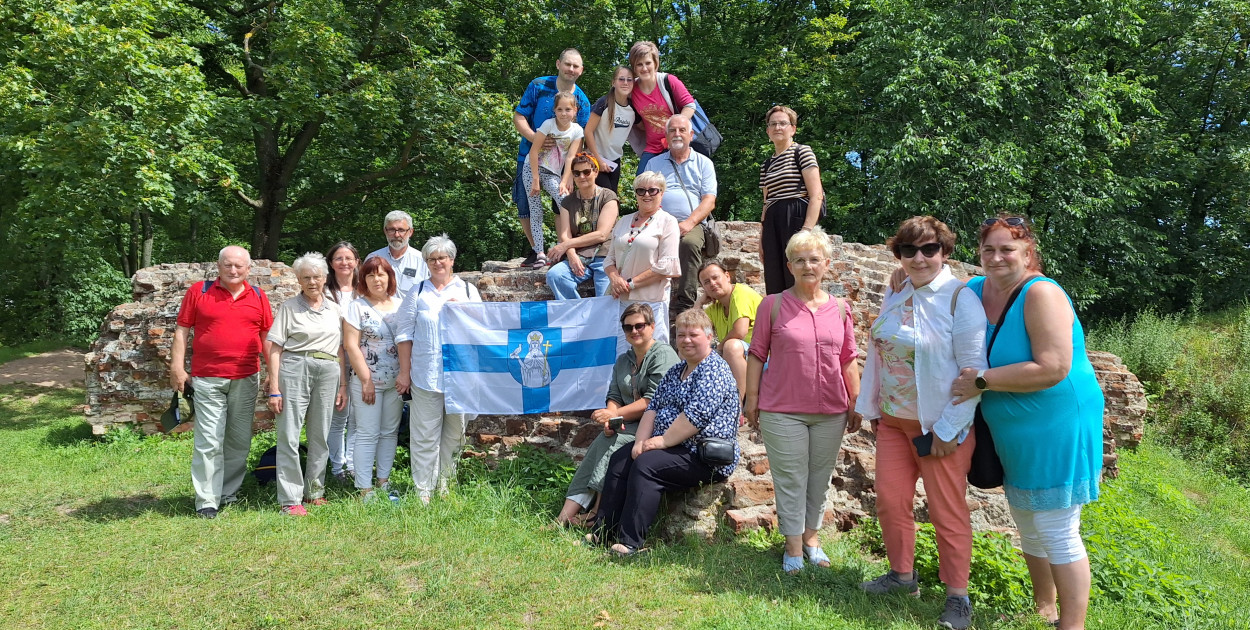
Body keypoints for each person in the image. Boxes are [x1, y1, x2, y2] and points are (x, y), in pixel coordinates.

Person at [950, 215, 1104, 630]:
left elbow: (1053, 366)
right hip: (1011, 427)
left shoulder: (1042, 294)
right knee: (1025, 517)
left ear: (1028, 253)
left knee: (1056, 525)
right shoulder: (978, 289)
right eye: (988, 249)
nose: (997, 257)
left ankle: (1072, 625)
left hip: (1056, 421)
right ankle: (1044, 607)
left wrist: (981, 381)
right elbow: (934, 286)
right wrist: (899, 273)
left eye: (1007, 249)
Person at [855, 217, 988, 630]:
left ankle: (958, 597)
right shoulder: (896, 291)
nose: (919, 257)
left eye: (929, 249)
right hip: (894, 424)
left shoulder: (959, 298)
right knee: (891, 502)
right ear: (898, 255)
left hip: (939, 429)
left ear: (945, 252)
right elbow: (881, 351)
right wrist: (874, 410)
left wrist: (950, 430)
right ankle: (902, 577)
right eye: (908, 250)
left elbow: (974, 372)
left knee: (947, 512)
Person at [743, 226, 862, 574]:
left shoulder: (841, 309)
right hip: (783, 410)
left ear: (826, 264)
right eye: (799, 260)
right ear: (789, 265)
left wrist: (855, 402)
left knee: (819, 477)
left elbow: (848, 358)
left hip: (832, 410)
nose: (808, 266)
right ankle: (793, 545)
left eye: (814, 259)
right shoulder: (773, 305)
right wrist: (752, 398)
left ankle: (812, 538)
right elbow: (755, 354)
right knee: (791, 477)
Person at [590, 308, 740, 556]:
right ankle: (602, 533)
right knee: (620, 458)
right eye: (681, 335)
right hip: (674, 447)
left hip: (704, 455)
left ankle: (630, 544)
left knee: (647, 465)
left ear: (710, 337)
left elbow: (695, 416)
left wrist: (660, 442)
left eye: (693, 334)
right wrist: (640, 442)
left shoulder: (714, 369)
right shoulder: (676, 371)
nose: (686, 340)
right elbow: (654, 408)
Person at [170, 245, 273, 519]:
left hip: (246, 377)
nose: (233, 270)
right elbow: (182, 330)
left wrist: (274, 374)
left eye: (239, 266)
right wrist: (177, 368)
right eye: (228, 265)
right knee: (209, 440)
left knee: (238, 440)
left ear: (248, 269)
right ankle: (206, 499)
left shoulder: (259, 296)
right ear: (219, 267)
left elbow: (267, 338)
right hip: (207, 377)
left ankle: (228, 493)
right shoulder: (199, 292)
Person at [553, 304, 679, 526]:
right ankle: (563, 517)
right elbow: (614, 395)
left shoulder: (663, 354)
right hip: (628, 423)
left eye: (639, 325)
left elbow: (653, 400)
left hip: (657, 425)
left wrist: (614, 414)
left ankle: (598, 515)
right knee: (602, 441)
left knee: (615, 444)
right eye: (628, 327)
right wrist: (612, 418)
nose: (634, 331)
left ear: (652, 326)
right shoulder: (624, 360)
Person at [395, 234, 482, 503]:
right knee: (424, 436)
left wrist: (465, 311)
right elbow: (404, 333)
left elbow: (483, 331)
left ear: (452, 260)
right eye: (431, 259)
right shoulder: (418, 292)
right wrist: (404, 372)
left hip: (460, 377)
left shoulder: (467, 291)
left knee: (455, 434)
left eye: (441, 258)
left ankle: (445, 487)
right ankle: (423, 492)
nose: (437, 263)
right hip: (425, 374)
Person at [265, 252, 344, 516]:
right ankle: (290, 499)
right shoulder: (289, 307)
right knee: (289, 433)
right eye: (306, 277)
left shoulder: (335, 308)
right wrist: (274, 386)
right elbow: (274, 346)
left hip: (329, 368)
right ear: (299, 280)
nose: (312, 282)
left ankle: (314, 491)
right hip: (296, 366)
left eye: (317, 276)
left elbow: (342, 349)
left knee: (320, 432)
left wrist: (343, 384)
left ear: (325, 278)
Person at [513, 49, 593, 267]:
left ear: (581, 70)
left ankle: (562, 248)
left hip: (561, 166)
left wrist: (571, 174)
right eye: (568, 64)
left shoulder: (582, 101)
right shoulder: (539, 85)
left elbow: (581, 138)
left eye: (576, 66)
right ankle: (535, 250)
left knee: (562, 204)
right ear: (558, 64)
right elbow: (519, 116)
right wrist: (535, 138)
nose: (571, 69)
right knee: (526, 205)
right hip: (531, 158)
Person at [342, 256, 404, 503]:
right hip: (367, 382)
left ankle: (384, 482)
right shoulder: (356, 307)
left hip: (397, 382)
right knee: (367, 433)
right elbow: (351, 345)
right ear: (363, 280)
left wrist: (405, 375)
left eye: (381, 274)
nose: (376, 279)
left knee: (389, 432)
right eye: (370, 275)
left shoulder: (401, 305)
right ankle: (364, 489)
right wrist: (366, 379)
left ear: (390, 277)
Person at [603, 171, 681, 353]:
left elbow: (666, 266)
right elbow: (609, 259)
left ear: (661, 193)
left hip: (651, 301)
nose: (646, 195)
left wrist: (630, 284)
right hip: (622, 301)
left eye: (652, 190)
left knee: (654, 353)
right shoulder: (623, 221)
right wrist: (615, 279)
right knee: (623, 355)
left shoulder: (668, 222)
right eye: (641, 190)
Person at [649, 115, 717, 317]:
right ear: (666, 135)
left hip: (692, 222)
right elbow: (646, 195)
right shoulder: (654, 163)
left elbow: (709, 200)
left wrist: (689, 223)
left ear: (691, 135)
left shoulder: (704, 163)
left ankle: (685, 305)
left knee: (689, 244)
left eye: (681, 130)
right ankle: (648, 299)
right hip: (660, 221)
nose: (677, 134)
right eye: (672, 130)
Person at [759, 105, 825, 295]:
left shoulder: (802, 152)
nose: (778, 128)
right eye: (773, 124)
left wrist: (806, 231)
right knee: (774, 277)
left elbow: (816, 195)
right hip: (773, 221)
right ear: (768, 131)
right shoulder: (767, 164)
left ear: (793, 129)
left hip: (795, 217)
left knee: (797, 274)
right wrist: (762, 237)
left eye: (783, 123)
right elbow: (766, 202)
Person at [545, 153, 620, 299]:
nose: (582, 176)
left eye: (586, 172)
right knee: (555, 276)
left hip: (604, 256)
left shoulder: (608, 197)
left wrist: (564, 246)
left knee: (605, 298)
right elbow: (565, 234)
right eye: (577, 173)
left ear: (596, 172)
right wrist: (571, 254)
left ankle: (600, 321)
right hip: (579, 255)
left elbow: (601, 234)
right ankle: (577, 315)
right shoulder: (567, 202)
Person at [524, 92, 585, 265]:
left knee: (564, 201)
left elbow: (570, 158)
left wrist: (565, 181)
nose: (564, 113)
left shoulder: (577, 130)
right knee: (535, 210)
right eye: (560, 109)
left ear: (575, 110)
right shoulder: (548, 125)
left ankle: (565, 245)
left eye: (568, 109)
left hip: (553, 172)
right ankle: (540, 253)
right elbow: (534, 151)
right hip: (532, 168)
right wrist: (535, 179)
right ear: (554, 110)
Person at [694, 259, 762, 405]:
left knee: (731, 346)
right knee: (692, 348)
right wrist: (698, 304)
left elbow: (740, 331)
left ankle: (737, 406)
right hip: (742, 359)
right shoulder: (715, 308)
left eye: (715, 277)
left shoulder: (740, 293)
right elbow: (693, 332)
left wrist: (718, 349)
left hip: (764, 358)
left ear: (727, 276)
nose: (712, 283)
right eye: (706, 282)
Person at [627, 41, 697, 172]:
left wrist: (674, 128)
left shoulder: (668, 81)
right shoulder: (632, 89)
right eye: (639, 64)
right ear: (634, 68)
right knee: (641, 185)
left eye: (648, 63)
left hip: (676, 143)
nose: (644, 68)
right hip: (652, 147)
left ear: (655, 63)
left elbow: (689, 105)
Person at [325, 241, 359, 482]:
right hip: (333, 359)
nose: (344, 263)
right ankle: (338, 468)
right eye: (339, 258)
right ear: (331, 263)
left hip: (361, 361)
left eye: (349, 258)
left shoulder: (364, 290)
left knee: (359, 418)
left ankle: (356, 466)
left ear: (357, 262)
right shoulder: (323, 292)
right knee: (338, 417)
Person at [583, 65, 636, 192]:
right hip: (595, 159)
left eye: (629, 79)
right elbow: (588, 131)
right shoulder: (604, 103)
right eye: (621, 79)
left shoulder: (634, 109)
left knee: (612, 199)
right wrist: (598, 160)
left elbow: (644, 128)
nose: (625, 83)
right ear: (613, 82)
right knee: (605, 198)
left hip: (614, 161)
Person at [365, 210, 428, 296]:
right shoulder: (372, 258)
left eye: (401, 230)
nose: (397, 235)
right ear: (385, 231)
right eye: (392, 230)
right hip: (379, 308)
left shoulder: (422, 260)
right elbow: (364, 290)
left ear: (410, 232)